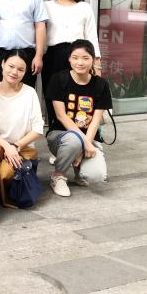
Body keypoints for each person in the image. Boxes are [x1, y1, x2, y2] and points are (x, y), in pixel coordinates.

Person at [45, 39, 111, 197]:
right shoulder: (59, 79)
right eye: (75, 58)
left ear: (93, 59)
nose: (80, 62)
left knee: (96, 176)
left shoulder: (101, 84)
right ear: (69, 59)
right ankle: (58, 175)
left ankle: (78, 168)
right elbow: (61, 116)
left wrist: (86, 145)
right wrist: (85, 144)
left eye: (85, 58)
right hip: (61, 136)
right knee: (74, 140)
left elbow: (95, 121)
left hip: (89, 138)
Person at [0, 50, 44, 207]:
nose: (14, 72)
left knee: (6, 173)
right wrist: (7, 146)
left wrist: (16, 146)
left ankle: (2, 196)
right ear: (2, 64)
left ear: (25, 72)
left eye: (20, 69)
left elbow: (38, 129)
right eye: (11, 66)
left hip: (21, 148)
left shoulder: (29, 93)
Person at [43, 0, 102, 118]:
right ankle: (55, 127)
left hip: (78, 56)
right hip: (53, 56)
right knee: (52, 92)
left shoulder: (84, 7)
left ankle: (79, 127)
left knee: (78, 94)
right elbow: (39, 32)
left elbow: (91, 36)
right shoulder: (47, 6)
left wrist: (96, 65)